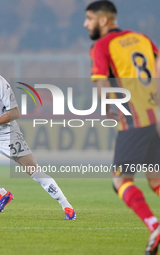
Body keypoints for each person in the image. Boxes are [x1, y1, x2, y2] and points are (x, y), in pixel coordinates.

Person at [0, 46, 76, 219]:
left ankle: (67, 207)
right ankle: (1, 193)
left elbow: (15, 113)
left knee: (34, 171)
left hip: (7, 134)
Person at [83, 1, 160, 254]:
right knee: (155, 178)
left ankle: (154, 225)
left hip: (135, 119)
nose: (86, 24)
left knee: (120, 180)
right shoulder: (142, 39)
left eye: (89, 19)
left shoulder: (102, 46)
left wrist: (108, 111)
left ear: (104, 20)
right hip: (156, 115)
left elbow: (103, 82)